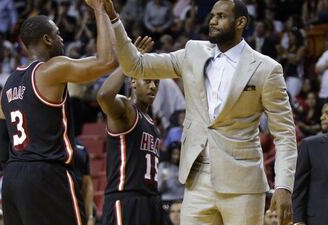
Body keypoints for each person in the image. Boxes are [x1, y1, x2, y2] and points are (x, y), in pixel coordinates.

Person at [103, 0, 297, 224]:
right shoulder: (193, 52)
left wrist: (283, 186)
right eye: (212, 15)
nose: (213, 21)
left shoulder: (266, 68)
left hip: (242, 183)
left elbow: (285, 134)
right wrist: (114, 19)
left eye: (221, 16)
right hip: (197, 181)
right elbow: (135, 66)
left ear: (241, 22)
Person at [0, 0, 117, 224]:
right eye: (58, 33)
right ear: (47, 39)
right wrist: (100, 10)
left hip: (13, 179)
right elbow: (107, 61)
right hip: (47, 174)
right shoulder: (51, 69)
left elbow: (1, 145)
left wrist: (20, 171)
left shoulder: (9, 84)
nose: (61, 39)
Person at [97, 37, 164, 225]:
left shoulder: (152, 122)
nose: (153, 86)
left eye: (156, 83)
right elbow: (103, 96)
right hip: (125, 199)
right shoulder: (126, 109)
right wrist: (128, 65)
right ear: (133, 82)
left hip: (150, 200)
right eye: (148, 81)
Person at [292, 103, 328, 225]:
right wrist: (298, 221)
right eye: (323, 113)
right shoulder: (310, 145)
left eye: (327, 113)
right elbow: (299, 188)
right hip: (319, 219)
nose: (322, 117)